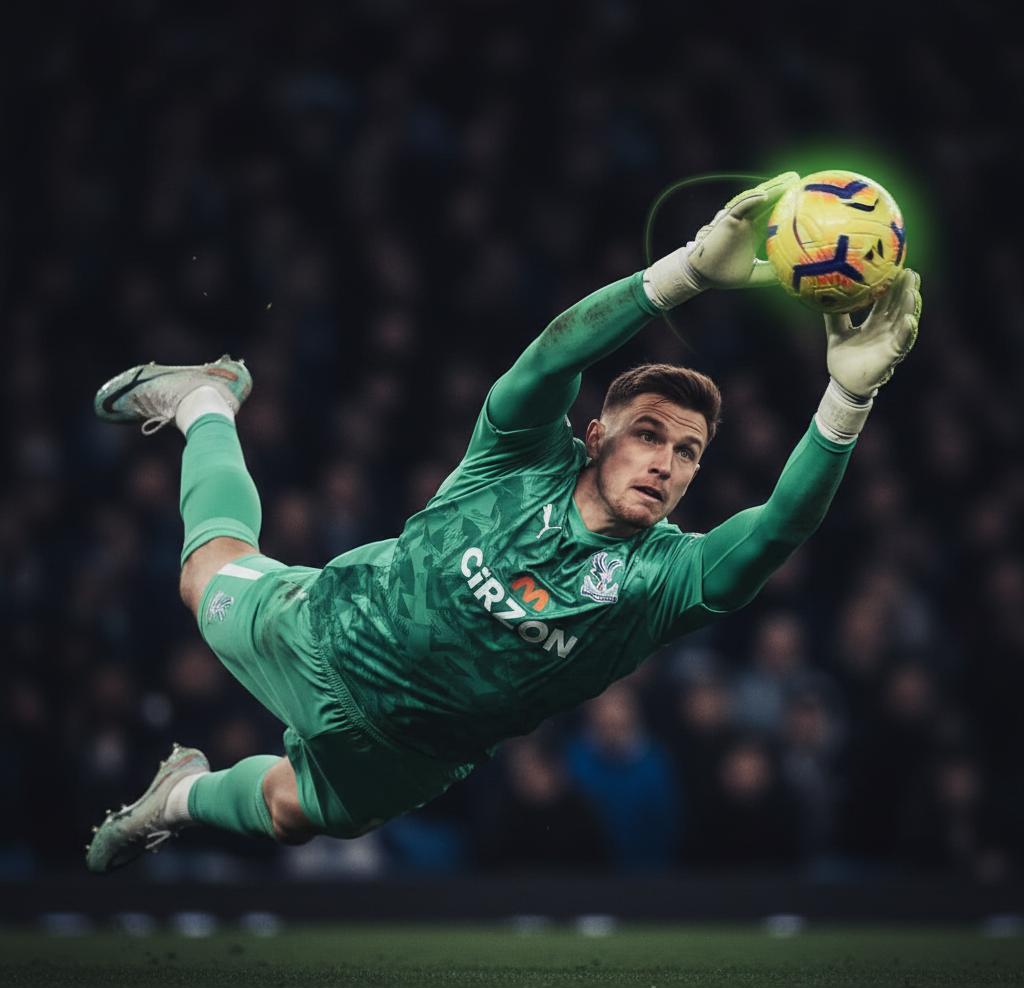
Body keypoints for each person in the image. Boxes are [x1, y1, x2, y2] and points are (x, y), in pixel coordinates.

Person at [85, 172, 921, 872]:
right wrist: (684, 274)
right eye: (648, 434)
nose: (666, 460)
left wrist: (849, 398)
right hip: (328, 631)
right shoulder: (521, 456)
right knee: (204, 572)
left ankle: (180, 794)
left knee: (292, 813)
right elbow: (556, 353)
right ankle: (206, 399)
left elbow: (777, 528)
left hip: (408, 756)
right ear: (596, 437)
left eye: (689, 451)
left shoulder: (664, 580)